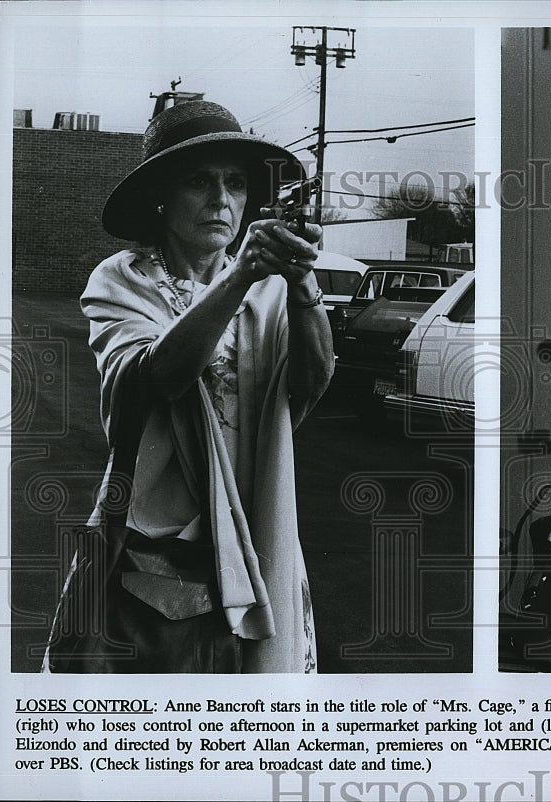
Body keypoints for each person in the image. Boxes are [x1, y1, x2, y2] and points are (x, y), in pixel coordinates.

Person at [44, 100, 334, 672]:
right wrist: (241, 279)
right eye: (198, 182)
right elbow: (155, 378)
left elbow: (313, 381)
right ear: (161, 196)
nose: (220, 200)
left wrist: (301, 284)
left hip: (257, 538)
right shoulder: (124, 278)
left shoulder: (272, 288)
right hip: (158, 554)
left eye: (235, 183)